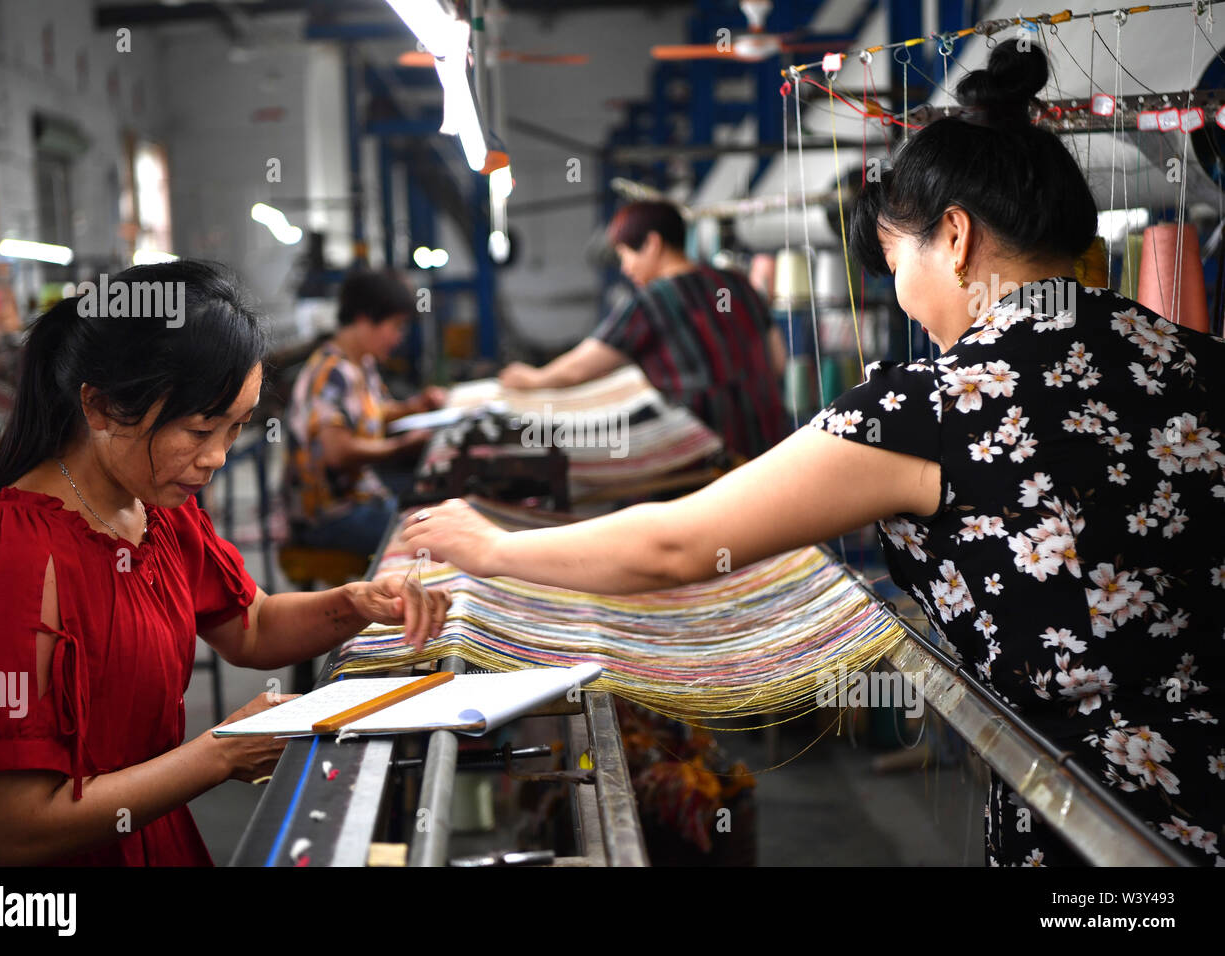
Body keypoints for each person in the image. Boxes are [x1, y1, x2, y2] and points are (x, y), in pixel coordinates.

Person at [398, 44, 1224, 867]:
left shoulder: (935, 405)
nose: (901, 295)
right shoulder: (1195, 358)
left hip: (1103, 816)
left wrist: (495, 547)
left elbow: (676, 545)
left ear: (958, 239)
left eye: (899, 263)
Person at [0, 261, 449, 866]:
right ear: (98, 408)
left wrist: (355, 602)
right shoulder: (11, 555)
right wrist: (222, 753)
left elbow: (252, 625)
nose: (218, 458)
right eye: (200, 430)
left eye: (236, 429)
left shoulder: (155, 508)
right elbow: (10, 832)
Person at [499, 200, 790, 462]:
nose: (625, 268)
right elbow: (777, 362)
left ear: (652, 243)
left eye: (625, 255)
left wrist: (532, 378)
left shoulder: (652, 301)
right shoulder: (736, 283)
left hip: (706, 460)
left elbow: (577, 369)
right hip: (770, 446)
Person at [283, 267, 446, 560]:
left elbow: (375, 412)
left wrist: (415, 406)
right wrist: (400, 447)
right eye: (395, 326)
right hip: (329, 517)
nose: (398, 338)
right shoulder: (331, 374)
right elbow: (338, 452)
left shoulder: (362, 364)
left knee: (436, 514)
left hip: (362, 498)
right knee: (433, 539)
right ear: (363, 320)